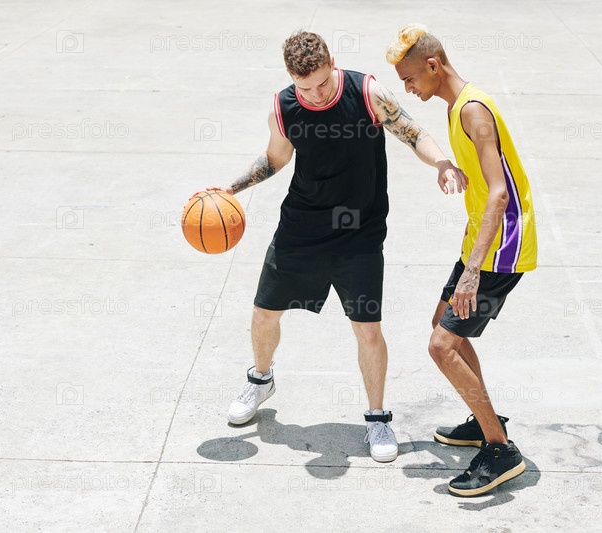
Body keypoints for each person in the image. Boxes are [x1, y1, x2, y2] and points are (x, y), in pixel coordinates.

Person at [209, 30, 466, 463]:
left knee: (367, 329)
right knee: (264, 313)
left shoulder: (367, 92)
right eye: (304, 88)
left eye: (322, 83)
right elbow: (276, 158)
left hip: (359, 233)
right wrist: (232, 188)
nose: (315, 94)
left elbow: (412, 132)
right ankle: (260, 379)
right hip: (301, 227)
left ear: (333, 64)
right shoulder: (283, 106)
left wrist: (442, 162)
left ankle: (377, 418)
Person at [386, 24, 538, 494]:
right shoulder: (457, 106)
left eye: (410, 78)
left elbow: (499, 194)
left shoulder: (473, 110)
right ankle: (484, 419)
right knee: (443, 324)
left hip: (502, 249)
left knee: (441, 346)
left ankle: (500, 449)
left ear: (433, 65)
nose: (408, 89)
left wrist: (473, 271)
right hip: (480, 241)